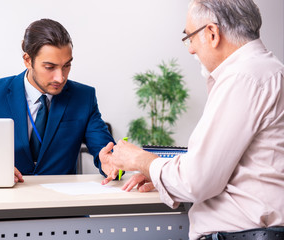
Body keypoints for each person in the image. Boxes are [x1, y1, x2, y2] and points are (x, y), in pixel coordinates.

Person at [99, 0, 284, 239]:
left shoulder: (243, 77)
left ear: (212, 33)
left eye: (190, 37)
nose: (191, 49)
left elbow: (197, 181)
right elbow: (236, 167)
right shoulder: (269, 70)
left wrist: (142, 160)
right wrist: (159, 173)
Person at [0, 19, 115, 182]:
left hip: (62, 200)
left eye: (66, 66)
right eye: (50, 67)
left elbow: (104, 148)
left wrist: (112, 162)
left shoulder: (83, 97)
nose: (60, 77)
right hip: (3, 195)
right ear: (28, 60)